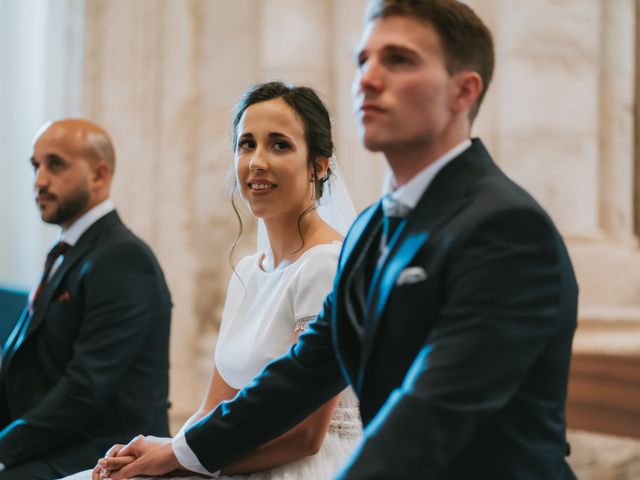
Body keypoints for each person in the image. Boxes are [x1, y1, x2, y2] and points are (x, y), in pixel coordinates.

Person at [98, 0, 579, 478]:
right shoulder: (370, 229)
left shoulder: (506, 229)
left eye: (399, 60)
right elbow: (300, 375)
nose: (367, 78)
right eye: (362, 61)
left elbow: (430, 418)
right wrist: (179, 454)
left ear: (463, 91)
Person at [69, 83, 361, 480]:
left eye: (279, 145)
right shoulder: (246, 270)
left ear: (319, 165)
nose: (257, 161)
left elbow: (306, 435)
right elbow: (212, 407)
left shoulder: (326, 264)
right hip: (229, 458)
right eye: (246, 144)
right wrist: (161, 455)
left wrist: (179, 463)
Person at [0, 119, 172, 479]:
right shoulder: (68, 250)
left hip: (104, 451)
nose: (39, 181)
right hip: (57, 441)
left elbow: (84, 389)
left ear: (98, 175)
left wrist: (5, 449)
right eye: (36, 166)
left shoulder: (123, 258)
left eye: (55, 164)